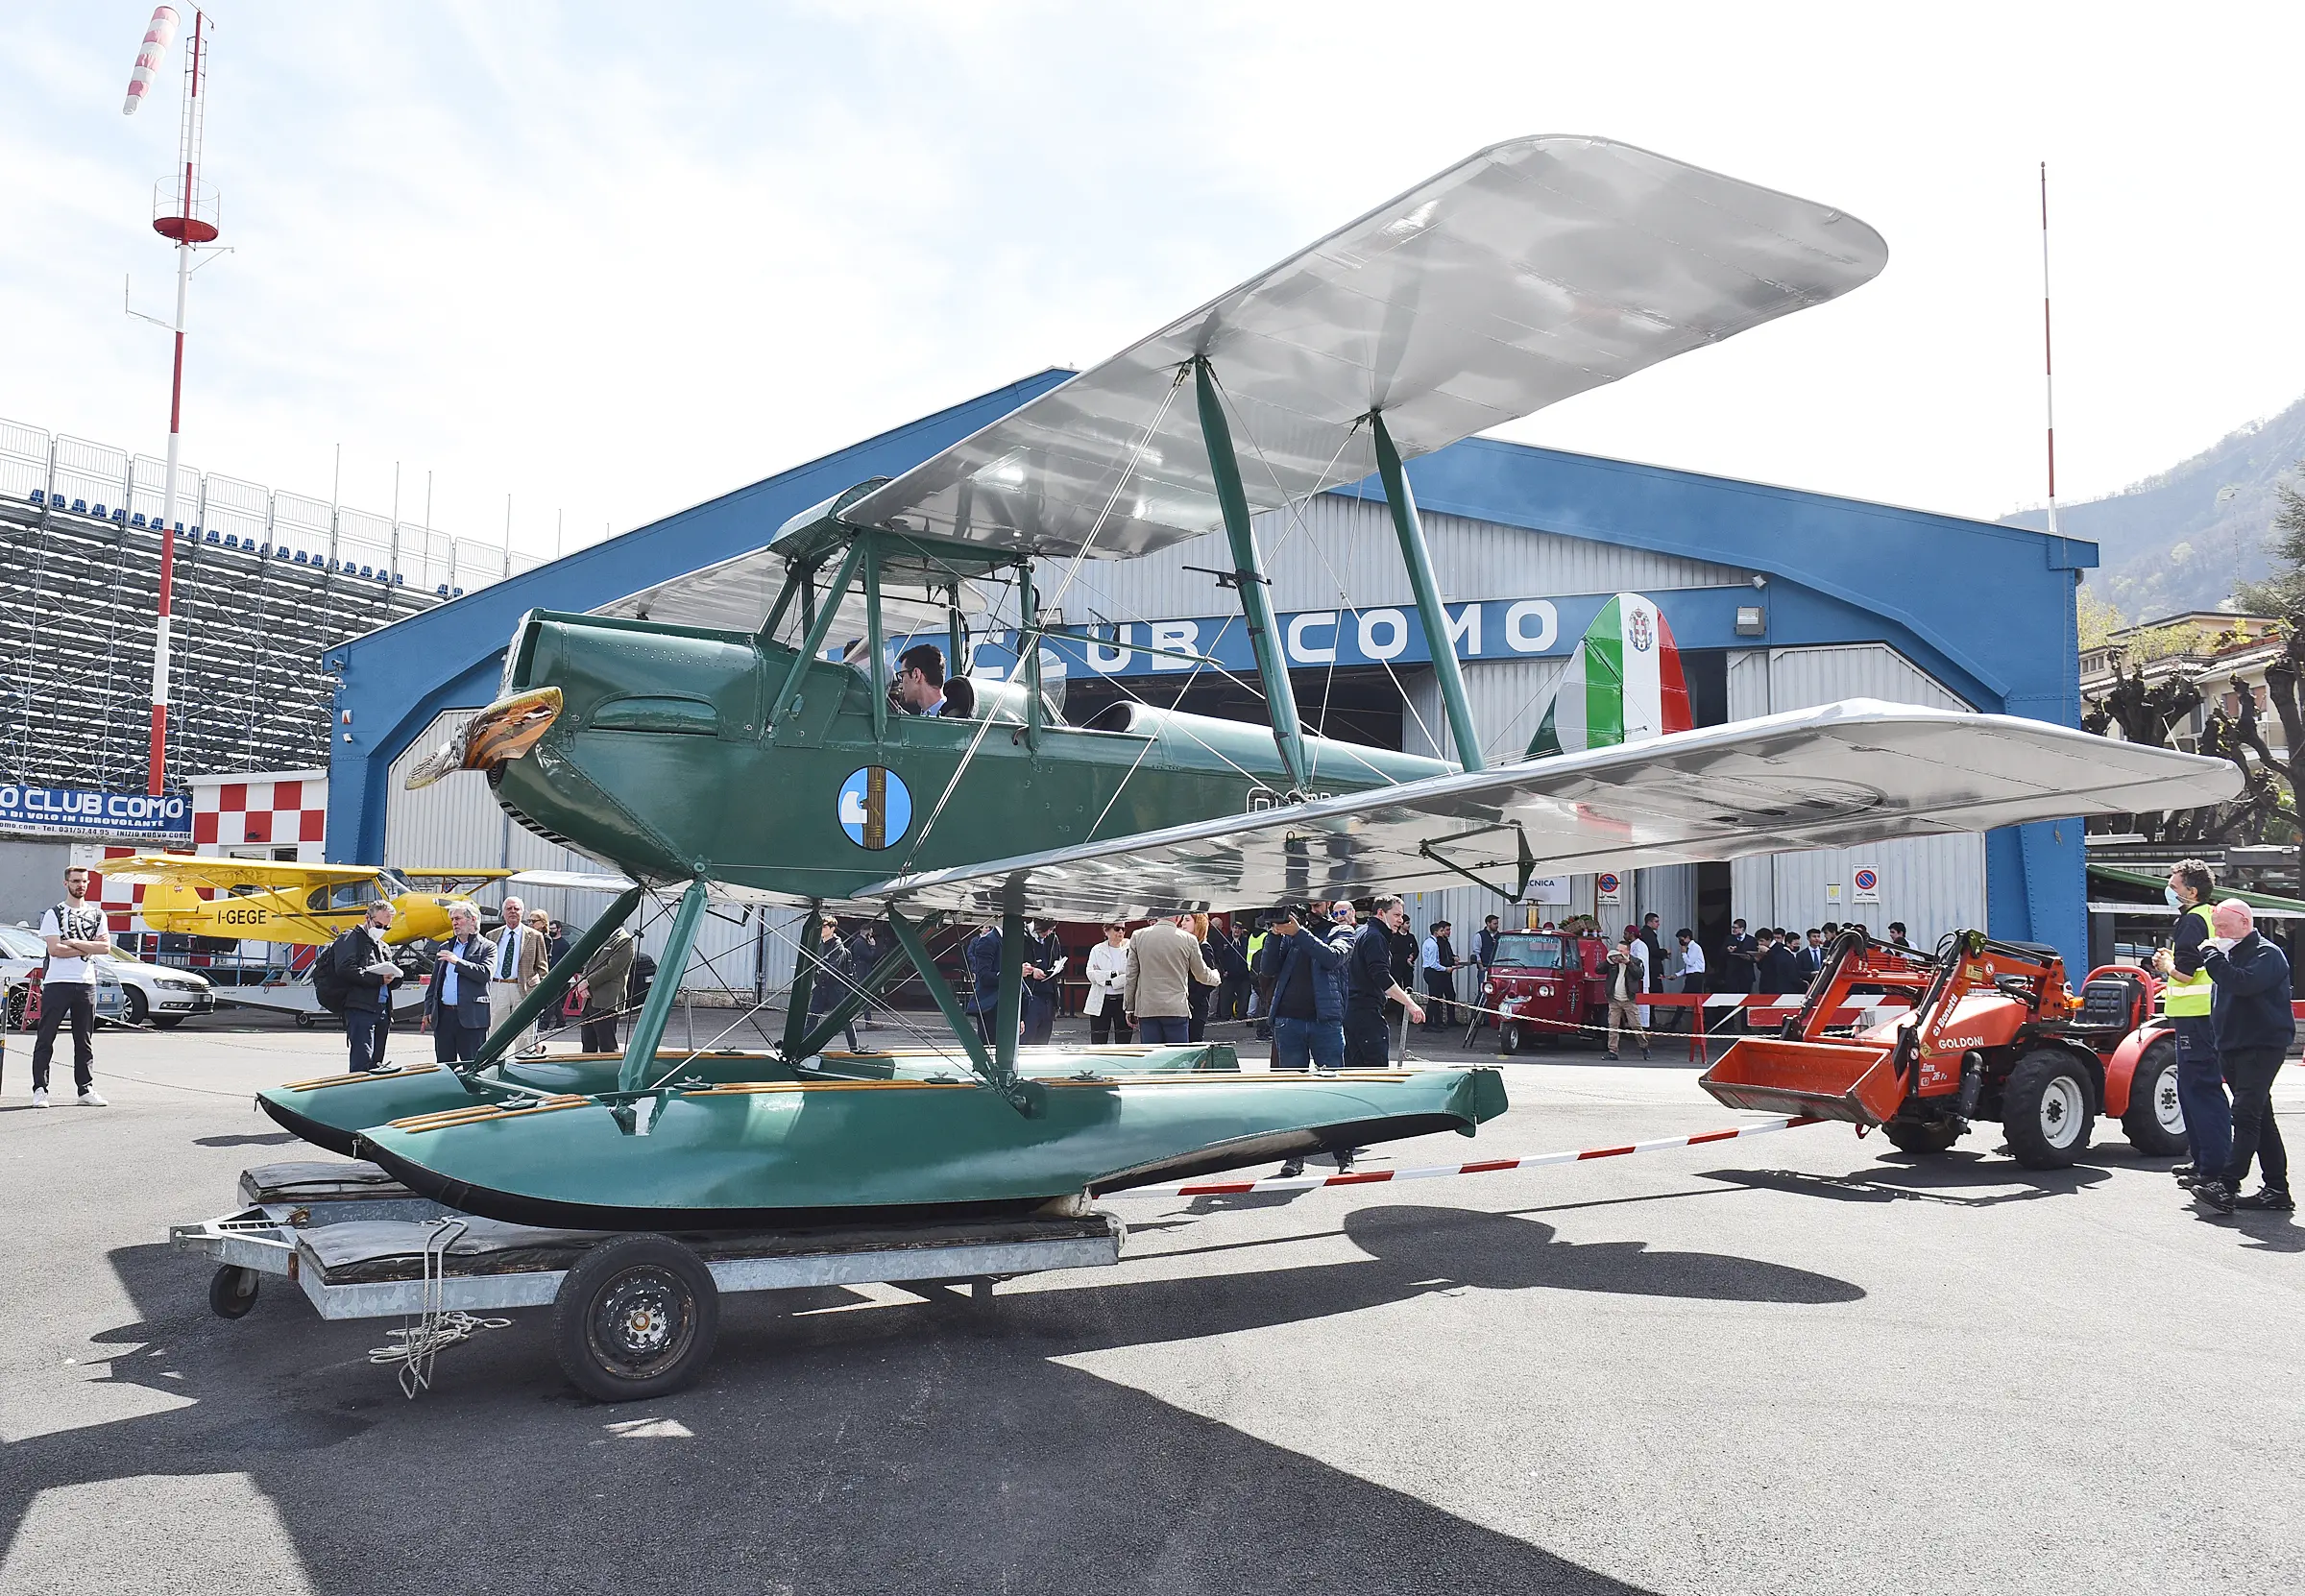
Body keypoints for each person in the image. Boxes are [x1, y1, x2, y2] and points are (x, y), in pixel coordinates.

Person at [2192, 900, 2294, 1214]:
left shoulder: (2267, 953)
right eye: (2216, 927)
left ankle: (2228, 1184)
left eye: (2223, 926)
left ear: (2245, 923)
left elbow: (2242, 983)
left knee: (2246, 1114)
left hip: (2261, 1045)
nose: (2218, 933)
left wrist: (2211, 956)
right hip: (2233, 1046)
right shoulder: (2230, 953)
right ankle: (2276, 1188)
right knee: (2261, 1118)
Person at [2150, 858, 2229, 1189]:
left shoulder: (2192, 922)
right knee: (2195, 1088)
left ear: (2191, 891)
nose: (2169, 888)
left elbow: (2185, 971)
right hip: (2205, 1015)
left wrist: (2165, 964)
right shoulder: (2210, 916)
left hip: (2195, 1017)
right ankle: (2203, 1163)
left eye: (2174, 884)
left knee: (2199, 1089)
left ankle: (2211, 1167)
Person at [30, 864, 110, 1107]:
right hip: (57, 983)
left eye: (84, 881)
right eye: (76, 881)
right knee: (46, 1037)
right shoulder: (55, 913)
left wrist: (74, 942)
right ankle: (40, 1089)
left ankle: (85, 1089)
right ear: (66, 883)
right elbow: (54, 949)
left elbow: (105, 948)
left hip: (86, 983)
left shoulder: (98, 914)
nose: (80, 885)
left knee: (83, 1039)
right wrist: (88, 946)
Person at [1344, 896, 1424, 1067]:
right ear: (1381, 913)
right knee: (1375, 1067)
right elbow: (1381, 976)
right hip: (1365, 1010)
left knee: (1353, 1067)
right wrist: (1409, 1003)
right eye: (1396, 915)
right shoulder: (1375, 937)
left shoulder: (1361, 932)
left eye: (1401, 916)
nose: (1400, 921)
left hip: (1350, 1009)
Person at [1124, 913, 1219, 1046]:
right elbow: (1201, 974)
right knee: (1178, 1057)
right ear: (1177, 917)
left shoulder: (1138, 936)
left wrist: (1129, 1007)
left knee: (1152, 1056)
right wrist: (1216, 977)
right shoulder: (1189, 939)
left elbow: (1131, 975)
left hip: (1148, 1007)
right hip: (1176, 1008)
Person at [331, 900, 403, 1072]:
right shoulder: (350, 938)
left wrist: (395, 978)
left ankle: (372, 1094)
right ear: (367, 918)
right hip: (360, 1008)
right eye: (379, 924)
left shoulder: (382, 946)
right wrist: (377, 979)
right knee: (362, 1059)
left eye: (387, 927)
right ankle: (356, 1095)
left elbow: (390, 974)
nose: (382, 930)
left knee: (377, 1061)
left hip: (382, 1009)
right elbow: (344, 969)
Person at [425, 903, 496, 1063]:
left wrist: (458, 962)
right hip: (444, 1017)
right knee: (445, 1066)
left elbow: (485, 974)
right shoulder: (445, 946)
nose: (454, 923)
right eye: (452, 919)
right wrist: (428, 1009)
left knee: (471, 1065)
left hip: (472, 1018)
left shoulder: (487, 947)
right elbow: (435, 982)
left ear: (473, 919)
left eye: (458, 918)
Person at [487, 894, 547, 1058]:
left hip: (525, 989)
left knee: (525, 1034)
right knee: (496, 1031)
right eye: (509, 908)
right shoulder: (492, 936)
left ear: (523, 912)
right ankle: (495, 1063)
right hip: (499, 987)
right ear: (503, 913)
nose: (513, 911)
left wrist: (539, 990)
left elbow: (542, 967)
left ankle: (523, 1062)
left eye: (516, 908)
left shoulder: (535, 936)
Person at [575, 925, 634, 1054]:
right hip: (589, 999)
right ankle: (587, 1072)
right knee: (587, 1044)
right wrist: (582, 982)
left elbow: (612, 969)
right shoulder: (603, 938)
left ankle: (609, 1073)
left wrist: (588, 982)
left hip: (606, 1000)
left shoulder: (624, 941)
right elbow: (589, 963)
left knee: (607, 1044)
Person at [1084, 921, 1132, 1044]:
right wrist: (1116, 974)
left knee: (1124, 1042)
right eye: (1117, 929)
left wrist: (1109, 980)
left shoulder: (1131, 948)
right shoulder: (1097, 949)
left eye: (1123, 929)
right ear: (1106, 931)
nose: (1121, 932)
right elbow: (1091, 974)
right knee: (1098, 1041)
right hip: (1101, 999)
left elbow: (1132, 975)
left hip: (1123, 999)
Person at [1020, 918, 1066, 1046]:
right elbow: (1014, 963)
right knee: (1026, 1039)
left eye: (1052, 930)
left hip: (1049, 995)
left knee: (1043, 1041)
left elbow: (1057, 958)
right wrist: (1032, 971)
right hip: (1030, 995)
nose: (1048, 933)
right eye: (1047, 930)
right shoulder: (1022, 936)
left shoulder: (1053, 938)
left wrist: (1058, 967)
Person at [1604, 926, 1648, 1059]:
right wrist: (1608, 961)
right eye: (1617, 950)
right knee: (1613, 1025)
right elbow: (1598, 969)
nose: (1619, 953)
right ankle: (1613, 1051)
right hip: (1614, 999)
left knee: (1635, 1025)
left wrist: (1628, 963)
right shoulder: (1613, 962)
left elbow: (1639, 974)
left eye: (1621, 951)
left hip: (1628, 999)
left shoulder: (1636, 961)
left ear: (1628, 952)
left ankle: (1644, 1047)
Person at [964, 921, 1006, 1047]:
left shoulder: (1010, 941)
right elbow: (984, 976)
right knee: (989, 1046)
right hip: (991, 1004)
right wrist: (1013, 974)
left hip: (1006, 1003)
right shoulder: (988, 941)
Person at [895, 643, 958, 717]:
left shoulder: (954, 717)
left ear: (916, 675)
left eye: (902, 676)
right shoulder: (954, 714)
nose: (900, 685)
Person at [1419, 921, 1458, 1031]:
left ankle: (1434, 1022)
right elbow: (1433, 964)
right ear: (1436, 932)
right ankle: (1428, 1023)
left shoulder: (1429, 942)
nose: (1443, 933)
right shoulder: (1433, 944)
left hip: (1430, 972)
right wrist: (1446, 969)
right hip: (1432, 972)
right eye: (1441, 931)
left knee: (1435, 998)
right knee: (1434, 999)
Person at [1758, 929, 1807, 995]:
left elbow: (1780, 964)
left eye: (1761, 941)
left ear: (1769, 939)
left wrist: (1768, 952)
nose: (1760, 943)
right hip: (1766, 987)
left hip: (1778, 989)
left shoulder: (1780, 949)